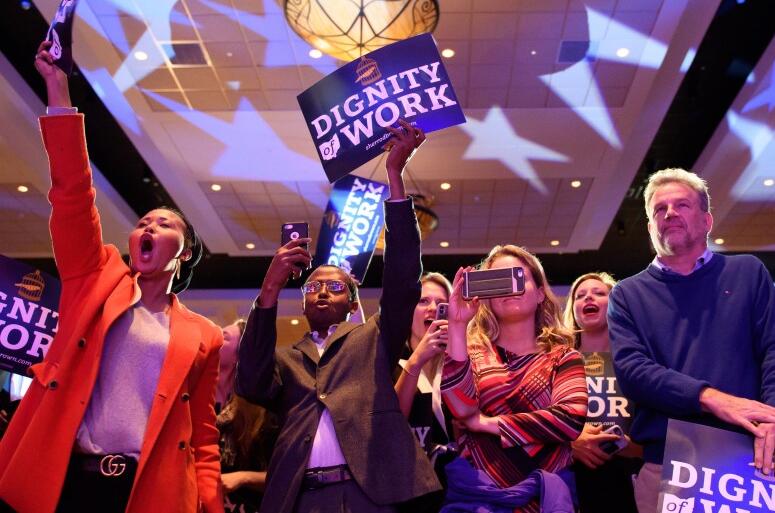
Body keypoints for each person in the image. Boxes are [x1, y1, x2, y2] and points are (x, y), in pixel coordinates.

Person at [0, 41, 223, 512]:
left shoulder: (204, 335)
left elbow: (203, 435)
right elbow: (74, 196)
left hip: (147, 493)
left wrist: (211, 503)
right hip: (69, 483)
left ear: (181, 256)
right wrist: (58, 92)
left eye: (165, 225)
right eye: (143, 221)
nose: (148, 226)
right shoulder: (95, 277)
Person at [235, 119, 441, 512]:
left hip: (371, 495)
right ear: (302, 304)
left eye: (335, 287)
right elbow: (251, 383)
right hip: (300, 498)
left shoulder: (374, 338)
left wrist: (394, 175)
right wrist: (269, 290)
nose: (323, 291)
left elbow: (402, 280)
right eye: (312, 287)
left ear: (352, 303)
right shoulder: (286, 359)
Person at [606, 168, 775, 513]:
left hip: (752, 458)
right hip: (668, 464)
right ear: (651, 229)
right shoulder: (626, 293)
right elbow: (633, 372)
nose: (669, 213)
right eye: (659, 209)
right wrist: (711, 398)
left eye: (681, 205)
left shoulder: (747, 272)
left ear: (707, 220)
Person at [441, 245, 588, 512]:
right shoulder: (471, 355)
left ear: (540, 292)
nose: (509, 287)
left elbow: (570, 420)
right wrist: (457, 324)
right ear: (485, 295)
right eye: (498, 281)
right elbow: (459, 409)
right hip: (478, 498)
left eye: (517, 277)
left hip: (547, 500)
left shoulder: (563, 357)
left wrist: (486, 423)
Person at [563, 272, 642, 513]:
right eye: (580, 295)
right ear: (573, 309)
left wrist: (633, 447)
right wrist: (570, 445)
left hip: (629, 482)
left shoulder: (638, 362)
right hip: (572, 484)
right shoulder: (556, 362)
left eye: (599, 293)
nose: (589, 298)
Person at [394, 273, 456, 512]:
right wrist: (416, 360)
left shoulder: (461, 364)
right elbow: (392, 422)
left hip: (460, 487)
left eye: (442, 304)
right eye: (423, 301)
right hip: (411, 491)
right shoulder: (389, 365)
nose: (433, 308)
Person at [216, 320, 278, 512]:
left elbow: (286, 474)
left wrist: (242, 477)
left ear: (240, 355)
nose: (214, 338)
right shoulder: (197, 398)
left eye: (224, 337)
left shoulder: (262, 410)